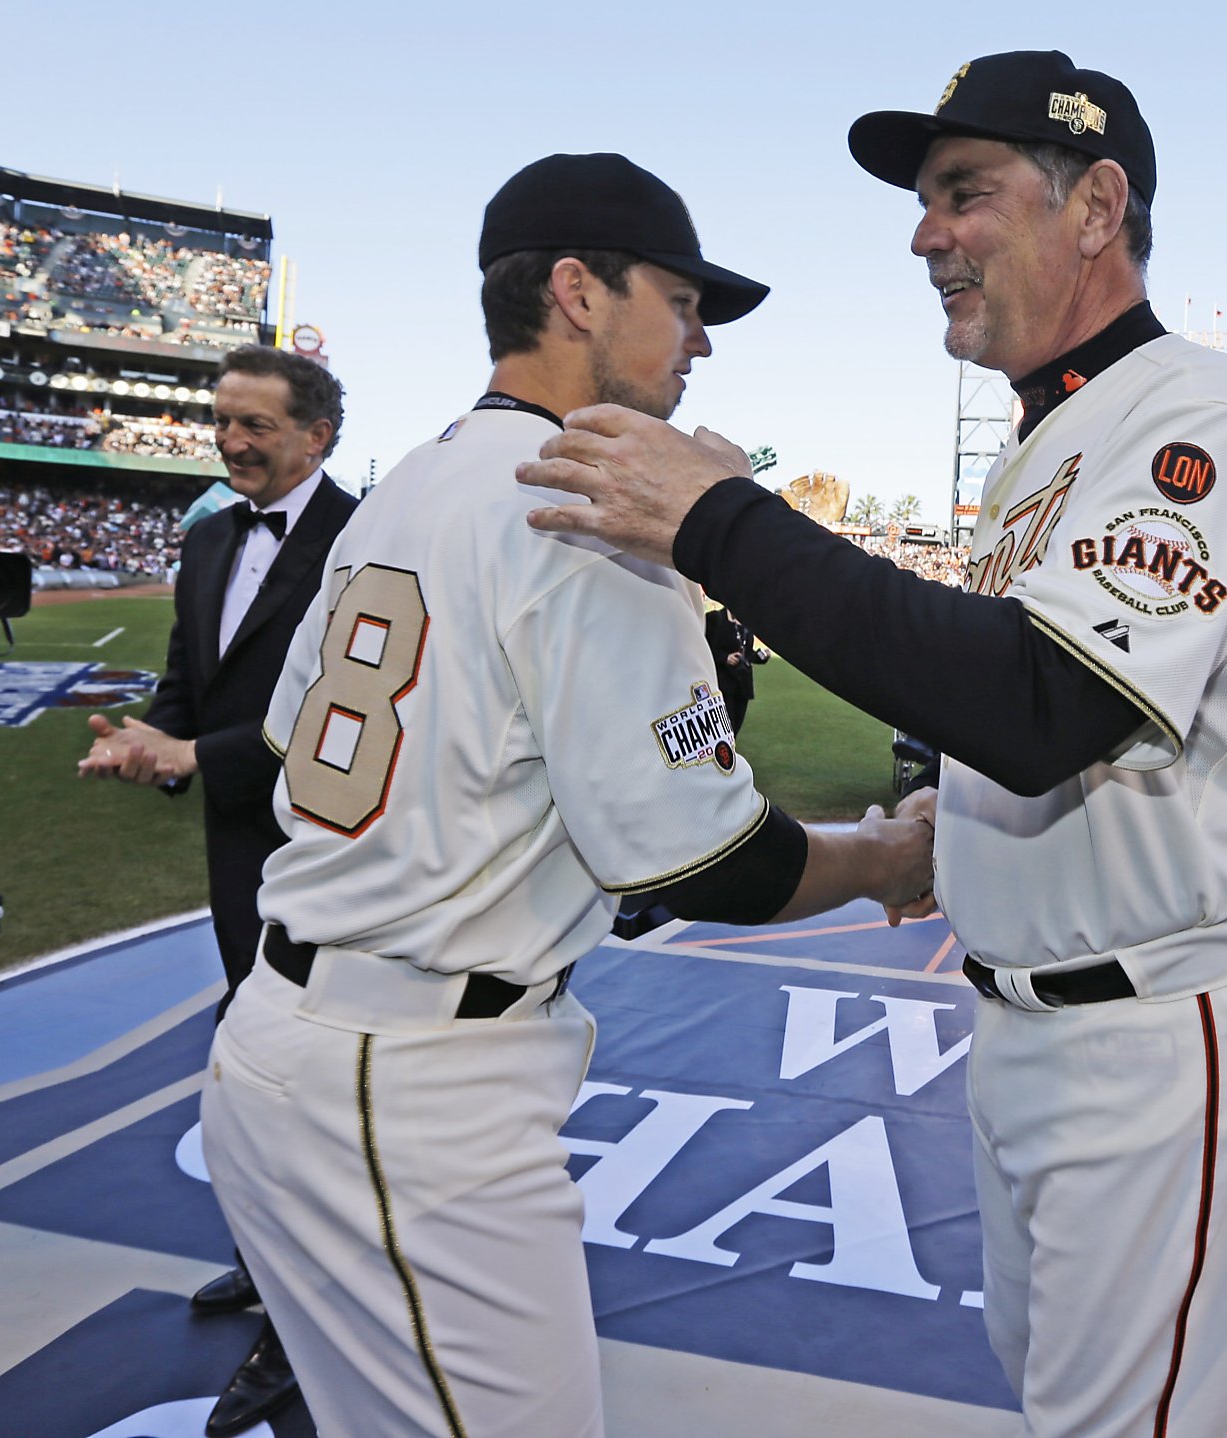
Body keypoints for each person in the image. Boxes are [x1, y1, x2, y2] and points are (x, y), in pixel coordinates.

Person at [518, 52, 1227, 1438]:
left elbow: (1043, 707)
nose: (923, 234)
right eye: (924, 200)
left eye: (965, 193)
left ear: (1097, 206)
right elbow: (1024, 725)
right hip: (1043, 1015)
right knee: (1060, 1394)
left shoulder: (1200, 404)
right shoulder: (1051, 438)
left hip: (1162, 1025)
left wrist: (724, 520)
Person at [198, 154, 933, 1437]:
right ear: (579, 293)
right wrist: (883, 856)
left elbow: (285, 743)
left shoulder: (402, 485)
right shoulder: (588, 506)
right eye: (684, 298)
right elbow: (707, 865)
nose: (700, 337)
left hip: (281, 1040)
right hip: (417, 1090)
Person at [78, 343, 356, 1437]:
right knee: (251, 1084)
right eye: (222, 420)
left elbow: (352, 726)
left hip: (340, 865)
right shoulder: (204, 538)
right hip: (236, 861)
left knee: (311, 1092)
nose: (231, 441)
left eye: (256, 424)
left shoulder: (367, 540)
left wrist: (204, 757)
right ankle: (265, 1262)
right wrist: (148, 738)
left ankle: (304, 1331)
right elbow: (190, 689)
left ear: (317, 435)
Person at [703, 600, 764, 733]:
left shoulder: (747, 625)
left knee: (735, 729)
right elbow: (703, 649)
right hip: (722, 685)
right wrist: (725, 657)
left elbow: (746, 654)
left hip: (742, 686)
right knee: (724, 729)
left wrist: (761, 657)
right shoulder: (715, 619)